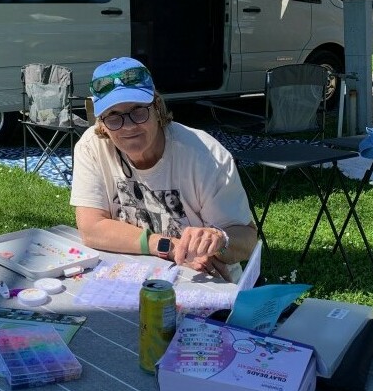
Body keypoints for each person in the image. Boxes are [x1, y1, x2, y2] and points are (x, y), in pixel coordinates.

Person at [70, 57, 257, 282]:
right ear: (101, 123)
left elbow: (247, 239)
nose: (128, 126)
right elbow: (91, 228)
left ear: (157, 107)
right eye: (113, 116)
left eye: (138, 111)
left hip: (206, 282)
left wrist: (220, 240)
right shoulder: (92, 147)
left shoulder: (205, 155)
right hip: (132, 277)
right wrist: (169, 247)